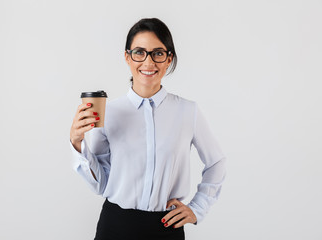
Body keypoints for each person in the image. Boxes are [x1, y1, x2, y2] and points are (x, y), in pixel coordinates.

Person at [69, 18, 226, 240]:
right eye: (139, 52)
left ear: (169, 58)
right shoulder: (108, 113)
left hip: (166, 227)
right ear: (127, 56)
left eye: (158, 53)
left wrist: (197, 209)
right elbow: (101, 184)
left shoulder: (187, 111)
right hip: (115, 226)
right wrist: (77, 142)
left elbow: (216, 162)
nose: (148, 62)